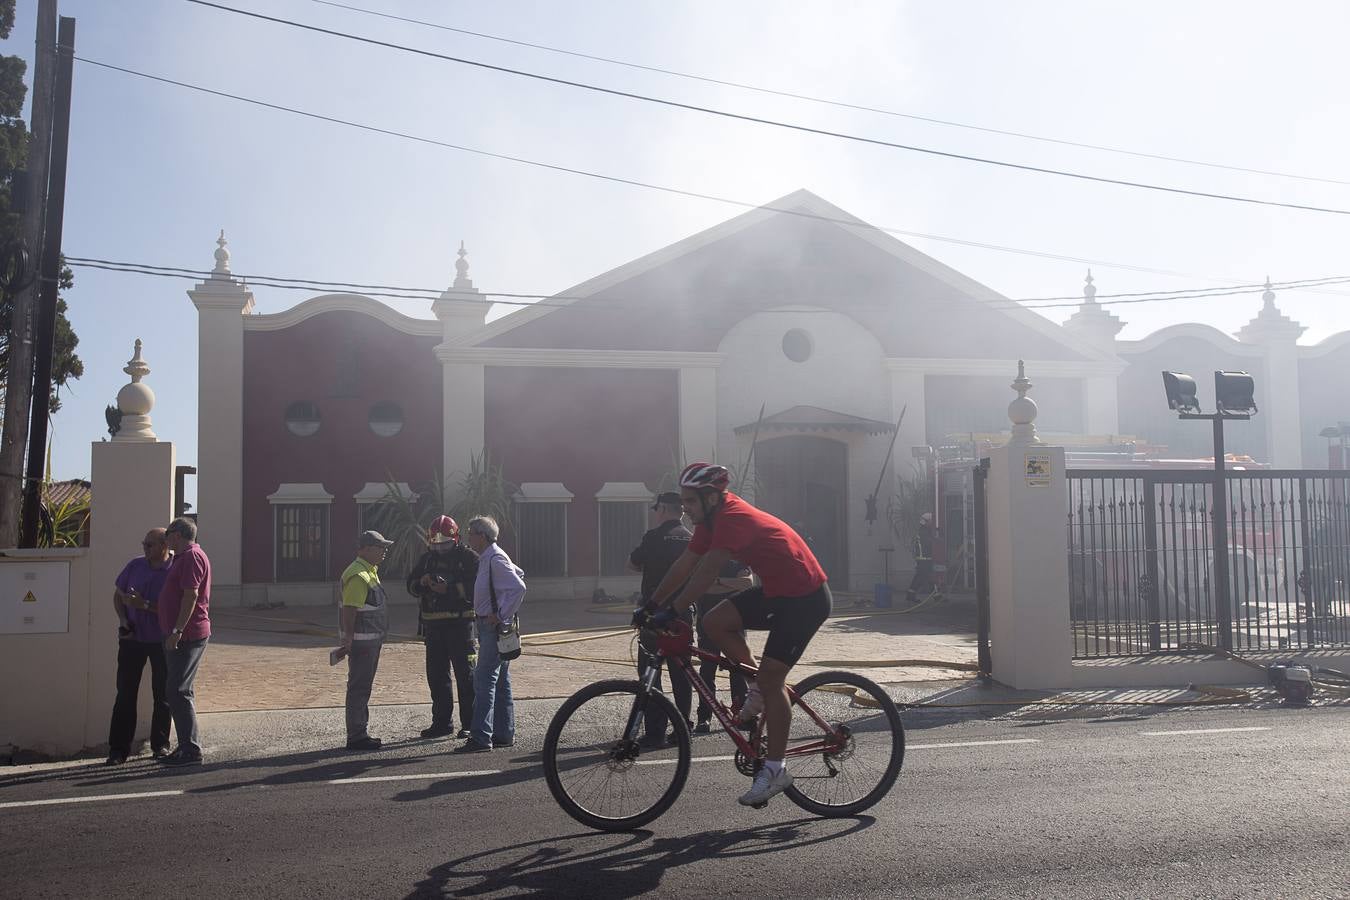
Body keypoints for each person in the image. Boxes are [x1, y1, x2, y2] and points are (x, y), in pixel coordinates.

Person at [645, 462, 830, 808]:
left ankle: (775, 769)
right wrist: (651, 602)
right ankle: (759, 684)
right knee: (715, 623)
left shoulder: (731, 517)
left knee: (774, 681)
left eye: (690, 500)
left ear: (712, 497)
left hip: (805, 598)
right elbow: (685, 563)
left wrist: (671, 609)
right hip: (777, 592)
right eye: (682, 500)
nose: (685, 507)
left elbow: (705, 572)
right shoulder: (708, 520)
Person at [627, 491, 694, 745]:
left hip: (653, 615)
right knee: (682, 672)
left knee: (649, 673)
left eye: (657, 509)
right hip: (682, 614)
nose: (655, 514)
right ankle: (682, 726)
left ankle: (655, 730)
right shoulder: (690, 539)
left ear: (664, 509)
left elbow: (632, 563)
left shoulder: (652, 538)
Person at [455, 516, 526, 753]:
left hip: (491, 627)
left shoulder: (494, 558)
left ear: (482, 536)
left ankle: (481, 737)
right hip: (490, 626)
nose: (468, 537)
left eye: (471, 532)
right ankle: (503, 733)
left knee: (483, 679)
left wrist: (501, 613)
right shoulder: (492, 557)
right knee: (501, 680)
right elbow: (519, 574)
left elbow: (518, 587)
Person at [406, 515, 479, 739]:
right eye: (436, 544)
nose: (441, 548)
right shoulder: (427, 560)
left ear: (456, 539)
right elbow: (410, 585)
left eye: (445, 543)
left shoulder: (469, 558)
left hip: (461, 628)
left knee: (466, 678)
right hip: (434, 630)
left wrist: (449, 589)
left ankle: (470, 724)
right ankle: (441, 723)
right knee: (437, 678)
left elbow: (477, 589)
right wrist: (423, 583)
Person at [105, 527, 174, 765]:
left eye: (150, 545)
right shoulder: (135, 565)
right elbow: (118, 595)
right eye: (144, 544)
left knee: (162, 694)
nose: (145, 549)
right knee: (125, 693)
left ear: (164, 546)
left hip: (161, 640)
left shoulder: (174, 570)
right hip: (132, 640)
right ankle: (118, 750)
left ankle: (161, 745)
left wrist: (143, 605)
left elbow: (172, 610)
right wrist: (124, 619)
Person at [158, 517, 213, 767]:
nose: (165, 539)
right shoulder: (183, 557)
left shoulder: (191, 556)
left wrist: (177, 630)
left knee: (178, 690)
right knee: (177, 689)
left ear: (177, 535)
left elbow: (190, 595)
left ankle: (190, 749)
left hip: (188, 634)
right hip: (182, 633)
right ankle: (186, 746)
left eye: (167, 534)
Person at [338, 530, 393, 751]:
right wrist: (349, 639)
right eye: (380, 547)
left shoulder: (368, 571)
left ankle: (360, 731)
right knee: (359, 688)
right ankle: (357, 735)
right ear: (365, 549)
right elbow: (350, 609)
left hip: (368, 642)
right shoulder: (359, 574)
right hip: (362, 643)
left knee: (362, 687)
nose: (384, 551)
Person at [693, 558, 755, 733]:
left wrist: (719, 581)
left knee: (738, 670)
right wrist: (732, 584)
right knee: (707, 671)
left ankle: (741, 714)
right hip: (707, 625)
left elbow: (747, 583)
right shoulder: (705, 560)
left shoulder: (736, 559)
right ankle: (704, 718)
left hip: (733, 624)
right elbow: (703, 587)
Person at [904, 512, 936, 604]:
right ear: (927, 521)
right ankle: (911, 595)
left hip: (924, 558)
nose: (932, 523)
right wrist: (936, 540)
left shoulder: (925, 530)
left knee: (926, 576)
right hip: (924, 559)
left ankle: (936, 595)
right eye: (931, 521)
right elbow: (928, 543)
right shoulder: (923, 531)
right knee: (922, 577)